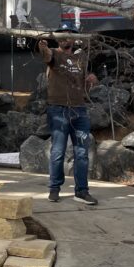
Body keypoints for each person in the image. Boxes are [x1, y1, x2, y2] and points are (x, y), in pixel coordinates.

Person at [39, 25, 99, 206]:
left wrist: (91, 80)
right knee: (58, 151)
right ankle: (54, 188)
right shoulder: (54, 54)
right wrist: (41, 46)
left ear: (74, 38)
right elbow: (46, 55)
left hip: (79, 109)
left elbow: (85, 85)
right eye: (62, 36)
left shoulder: (81, 57)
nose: (66, 39)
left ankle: (81, 191)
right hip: (58, 109)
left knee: (82, 152)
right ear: (57, 39)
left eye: (69, 35)